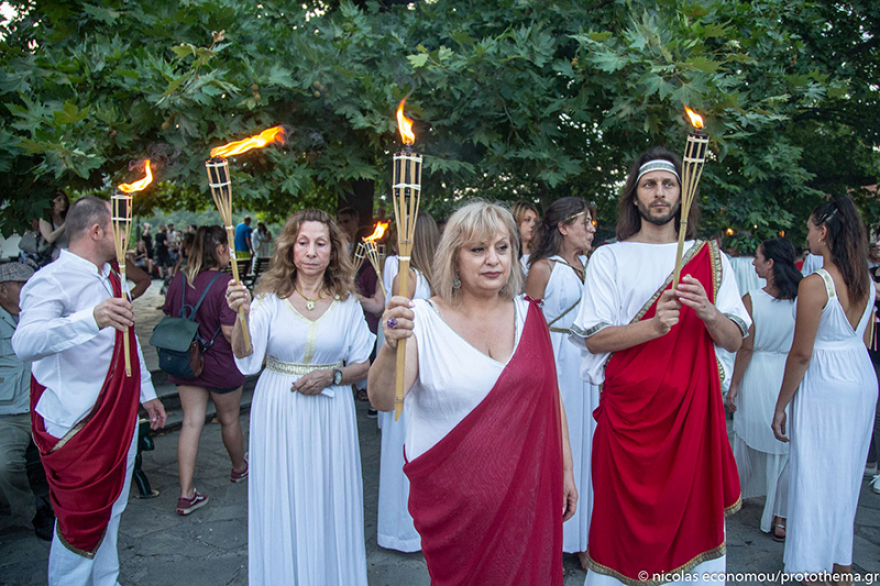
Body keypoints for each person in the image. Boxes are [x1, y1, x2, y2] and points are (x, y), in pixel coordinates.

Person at [369, 200, 577, 585]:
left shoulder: (530, 314)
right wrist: (390, 345)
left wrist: (565, 469)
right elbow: (383, 399)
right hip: (456, 508)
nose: (492, 260)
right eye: (477, 249)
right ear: (455, 257)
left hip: (528, 495)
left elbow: (552, 399)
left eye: (502, 247)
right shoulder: (422, 319)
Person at [569, 148, 749, 586]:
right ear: (635, 196)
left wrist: (707, 311)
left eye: (668, 184)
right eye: (649, 185)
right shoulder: (609, 258)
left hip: (692, 421)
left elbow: (735, 339)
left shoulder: (710, 259)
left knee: (691, 526)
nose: (659, 193)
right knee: (620, 530)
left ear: (682, 195)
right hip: (628, 421)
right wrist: (653, 327)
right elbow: (592, 338)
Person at [12, 196, 166, 586]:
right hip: (76, 421)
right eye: (119, 228)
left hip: (120, 416)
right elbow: (25, 342)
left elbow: (127, 344)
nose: (125, 236)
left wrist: (146, 392)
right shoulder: (50, 279)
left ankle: (106, 581)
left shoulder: (112, 278)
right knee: (80, 521)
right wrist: (90, 319)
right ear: (97, 231)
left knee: (112, 511)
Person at [225, 209, 374, 586]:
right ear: (290, 249)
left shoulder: (346, 303)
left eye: (320, 243)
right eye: (303, 242)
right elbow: (245, 358)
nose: (311, 251)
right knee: (280, 500)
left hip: (331, 412)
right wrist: (241, 316)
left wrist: (333, 375)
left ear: (332, 251)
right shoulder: (268, 299)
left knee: (328, 499)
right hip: (278, 407)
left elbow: (364, 363)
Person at [772, 196, 878, 578]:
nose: (807, 234)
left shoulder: (815, 284)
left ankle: (809, 566)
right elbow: (864, 339)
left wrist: (781, 404)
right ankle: (841, 562)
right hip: (860, 376)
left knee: (814, 474)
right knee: (846, 475)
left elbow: (801, 354)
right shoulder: (865, 281)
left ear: (825, 232)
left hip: (826, 381)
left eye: (809, 227)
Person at [526, 197, 598, 569]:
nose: (591, 229)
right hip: (556, 361)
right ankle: (552, 535)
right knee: (557, 446)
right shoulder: (542, 269)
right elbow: (528, 327)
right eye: (585, 222)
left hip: (585, 362)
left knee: (585, 447)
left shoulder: (587, 266)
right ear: (563, 228)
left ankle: (584, 537)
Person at [163, 226, 247, 516]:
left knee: (190, 422)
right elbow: (228, 331)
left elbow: (172, 315)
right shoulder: (226, 283)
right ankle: (239, 468)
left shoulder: (178, 281)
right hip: (220, 363)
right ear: (222, 249)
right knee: (229, 420)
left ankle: (186, 494)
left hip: (187, 361)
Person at [725, 238, 802, 541]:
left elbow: (745, 349)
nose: (754, 263)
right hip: (789, 373)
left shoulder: (752, 299)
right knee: (784, 447)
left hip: (758, 372)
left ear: (770, 263)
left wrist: (733, 386)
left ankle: (737, 494)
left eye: (758, 258)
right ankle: (780, 515)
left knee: (746, 436)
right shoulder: (802, 298)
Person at [376, 210, 440, 553]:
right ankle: (402, 530)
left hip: (420, 362)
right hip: (406, 362)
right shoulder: (408, 275)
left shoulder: (420, 274)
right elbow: (392, 322)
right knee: (405, 444)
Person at [0, 262, 55, 541]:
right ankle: (33, 512)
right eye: (21, 284)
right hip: (9, 414)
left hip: (45, 406)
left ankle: (68, 505)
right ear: (2, 290)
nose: (28, 289)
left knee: (70, 449)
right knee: (5, 465)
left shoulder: (38, 316)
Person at [39, 191, 70, 260]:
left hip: (70, 252)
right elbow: (50, 238)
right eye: (59, 200)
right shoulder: (45, 218)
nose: (63, 202)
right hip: (56, 255)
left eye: (64, 199)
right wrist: (66, 224)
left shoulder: (65, 216)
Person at [511, 200, 539, 272]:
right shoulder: (507, 253)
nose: (533, 225)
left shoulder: (539, 253)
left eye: (535, 221)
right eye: (527, 220)